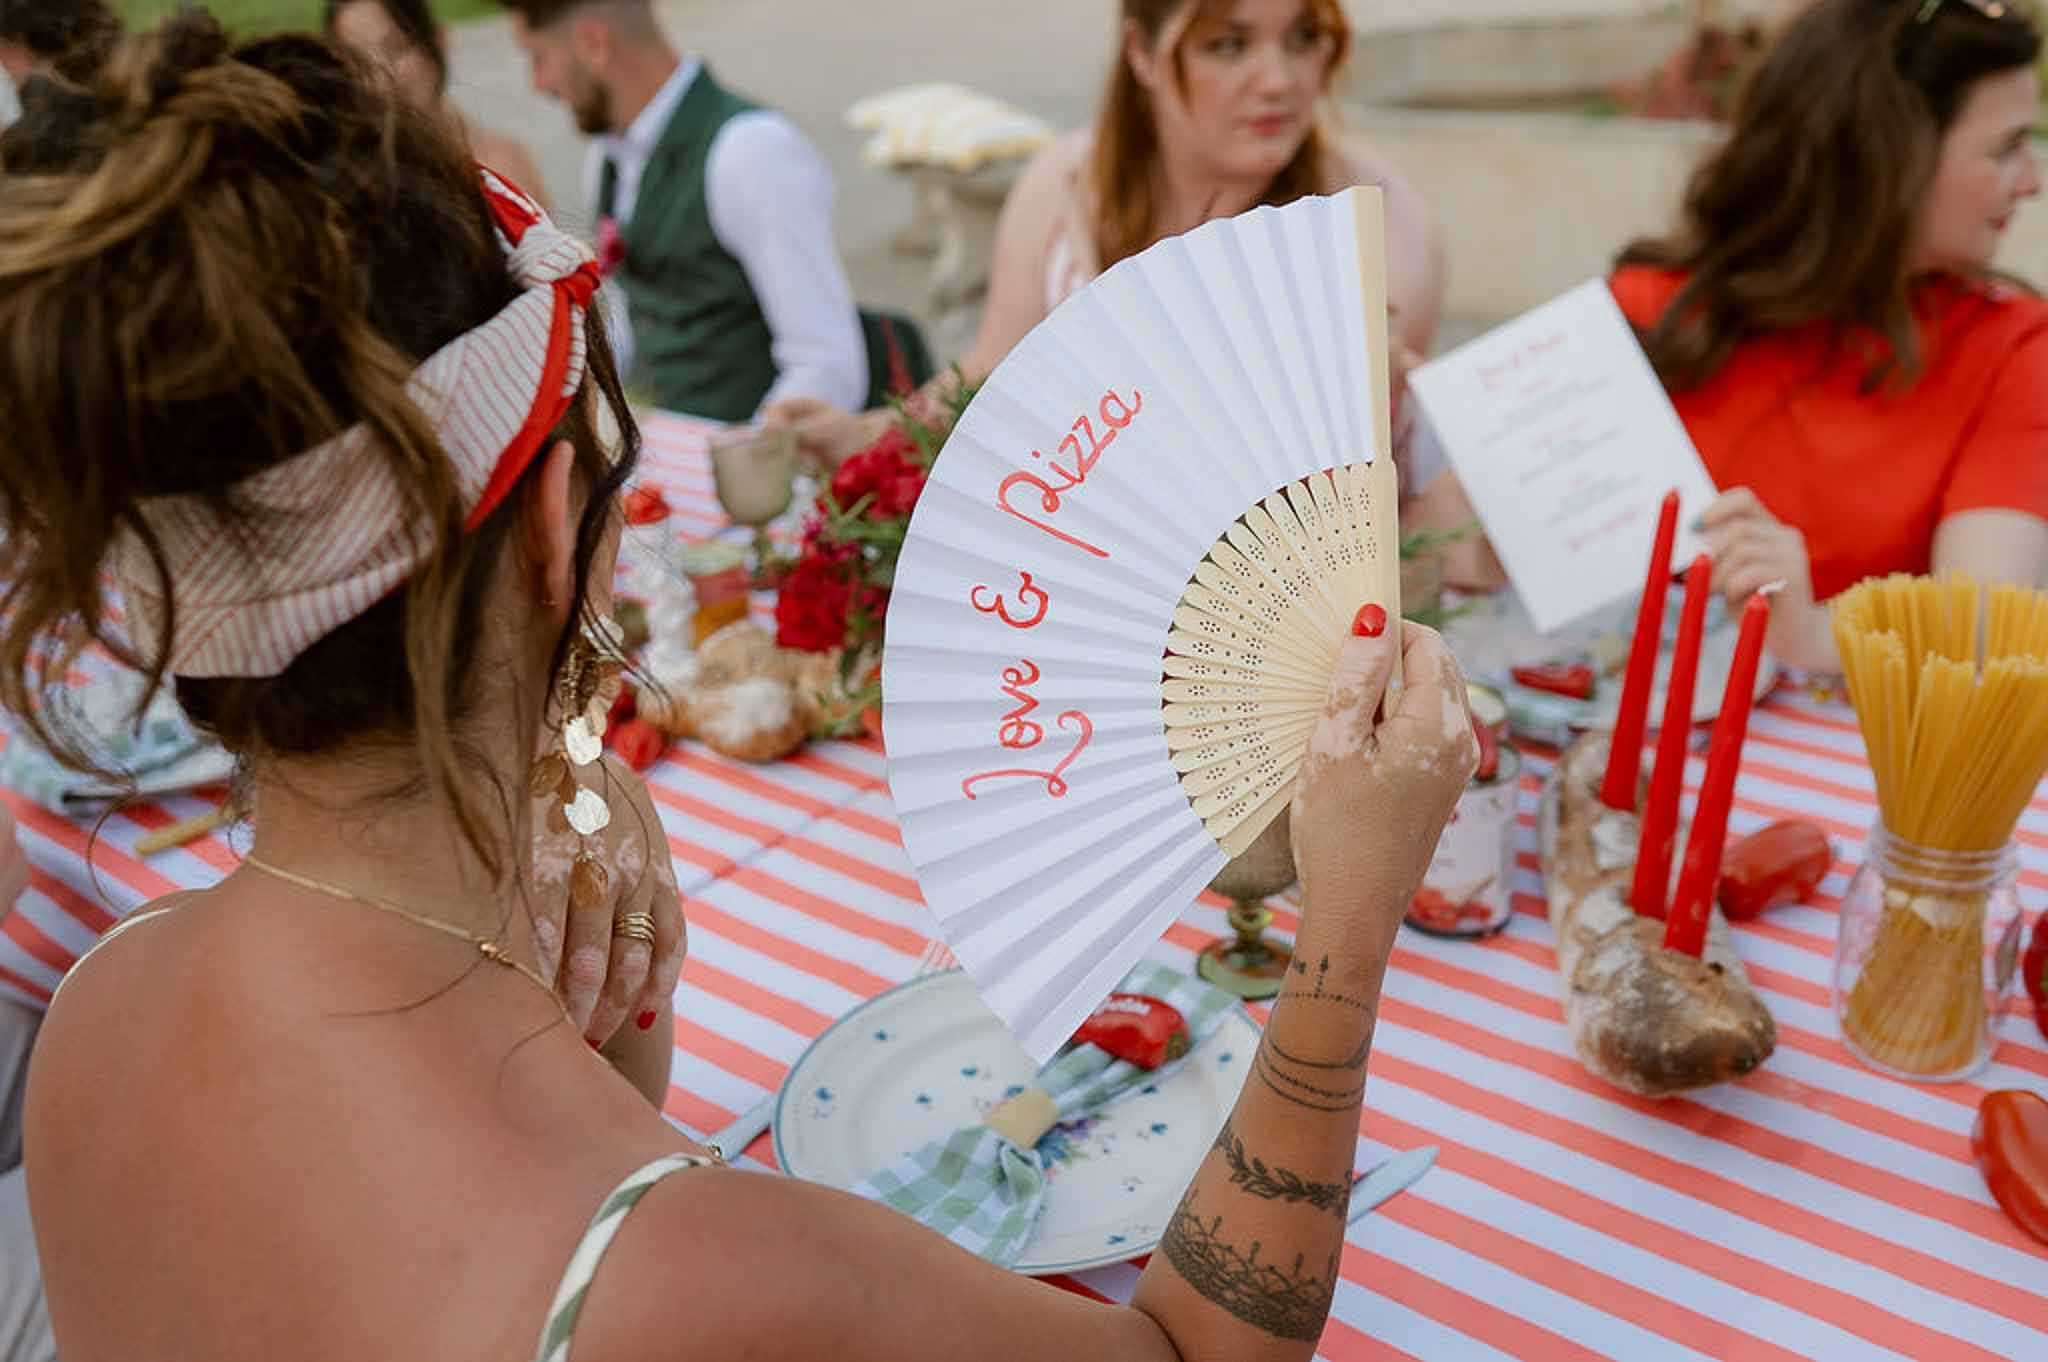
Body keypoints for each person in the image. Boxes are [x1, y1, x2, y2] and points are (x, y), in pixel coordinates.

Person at [9, 13, 1476, 1360]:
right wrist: (1342, 931)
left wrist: (569, 878)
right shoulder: (714, 1273)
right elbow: (1187, 1354)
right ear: (545, 530)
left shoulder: (98, 1008)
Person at [1442, 0, 2048, 671]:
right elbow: (1451, 551)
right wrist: (1483, 537)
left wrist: (1811, 631)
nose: (2033, 180)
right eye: (2005, 148)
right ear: (1886, 160)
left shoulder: (2014, 349)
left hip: (1838, 756)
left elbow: (1982, 631)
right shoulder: (1658, 310)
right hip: (1603, 735)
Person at [773, 0, 1446, 474]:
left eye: (1302, 37)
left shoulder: (1377, 223)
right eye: (1228, 44)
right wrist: (865, 435)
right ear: (1141, 52)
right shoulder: (1067, 186)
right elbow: (990, 377)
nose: (1280, 81)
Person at [501, 0, 927, 424]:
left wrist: (747, 459)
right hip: (658, 442)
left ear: (593, 43)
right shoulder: (607, 157)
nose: (538, 83)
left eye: (537, 57)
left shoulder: (750, 151)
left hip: (744, 452)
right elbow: (636, 318)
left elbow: (826, 362)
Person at [326, 0, 552, 211]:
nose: (382, 80)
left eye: (396, 48)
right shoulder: (350, 188)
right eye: (360, 63)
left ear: (439, 38)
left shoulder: (503, 168)